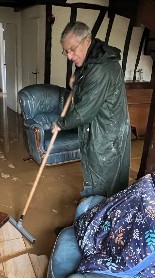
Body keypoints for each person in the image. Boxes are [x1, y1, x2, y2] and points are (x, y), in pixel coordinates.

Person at [53, 21, 130, 199]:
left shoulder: (101, 69)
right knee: (99, 171)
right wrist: (76, 78)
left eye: (72, 49)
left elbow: (83, 112)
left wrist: (60, 123)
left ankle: (99, 211)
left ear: (87, 41)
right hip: (101, 124)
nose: (70, 56)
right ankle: (96, 205)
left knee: (103, 173)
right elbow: (84, 75)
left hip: (106, 131)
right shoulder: (94, 57)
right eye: (66, 51)